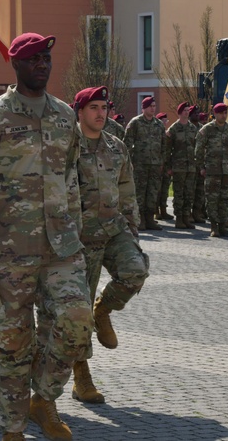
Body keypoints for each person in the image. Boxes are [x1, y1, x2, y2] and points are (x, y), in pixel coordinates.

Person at [0, 32, 91, 441]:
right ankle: (12, 428)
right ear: (15, 65)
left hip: (61, 247)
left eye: (46, 58)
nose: (42, 65)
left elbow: (71, 178)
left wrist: (75, 231)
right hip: (8, 251)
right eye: (33, 59)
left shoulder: (66, 115)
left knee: (76, 319)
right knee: (13, 342)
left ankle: (43, 398)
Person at [71, 86, 149, 405]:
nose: (101, 113)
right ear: (80, 112)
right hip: (80, 237)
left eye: (104, 107)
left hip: (114, 228)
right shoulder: (67, 148)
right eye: (94, 108)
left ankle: (102, 311)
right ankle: (81, 375)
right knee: (77, 310)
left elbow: (127, 188)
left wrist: (132, 227)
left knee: (136, 271)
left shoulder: (116, 146)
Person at [195, 104, 228, 238]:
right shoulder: (206, 130)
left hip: (226, 171)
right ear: (215, 114)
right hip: (212, 171)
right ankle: (214, 227)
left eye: (225, 113)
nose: (224, 116)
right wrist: (201, 167)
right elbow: (199, 150)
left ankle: (223, 226)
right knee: (212, 199)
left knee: (225, 199)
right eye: (221, 113)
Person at [124, 96, 166, 231]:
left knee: (153, 192)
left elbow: (164, 145)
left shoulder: (159, 124)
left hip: (155, 164)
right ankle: (140, 219)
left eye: (154, 106)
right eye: (150, 106)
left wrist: (162, 162)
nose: (153, 109)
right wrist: (129, 162)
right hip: (140, 164)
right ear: (144, 108)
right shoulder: (135, 122)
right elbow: (127, 144)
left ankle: (150, 218)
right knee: (140, 192)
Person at [164, 103, 198, 230]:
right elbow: (168, 149)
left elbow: (196, 147)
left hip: (191, 166)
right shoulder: (174, 129)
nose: (187, 112)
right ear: (179, 112)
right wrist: (168, 166)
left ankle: (186, 217)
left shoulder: (193, 128)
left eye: (188, 110)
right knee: (179, 193)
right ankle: (179, 219)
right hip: (178, 167)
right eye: (184, 110)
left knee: (189, 193)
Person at [155, 111, 173, 223]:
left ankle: (163, 210)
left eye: (165, 121)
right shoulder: (155, 134)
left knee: (165, 189)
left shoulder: (168, 135)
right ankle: (156, 211)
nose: (165, 123)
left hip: (166, 165)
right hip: (157, 165)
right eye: (163, 121)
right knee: (156, 189)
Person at [191, 109, 208, 224]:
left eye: (198, 113)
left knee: (200, 191)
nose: (197, 115)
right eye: (194, 114)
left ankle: (197, 213)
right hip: (188, 164)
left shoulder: (203, 128)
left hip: (200, 163)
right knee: (189, 191)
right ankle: (187, 215)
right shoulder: (185, 127)